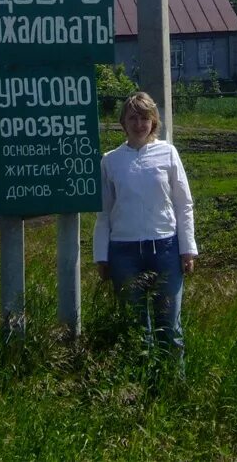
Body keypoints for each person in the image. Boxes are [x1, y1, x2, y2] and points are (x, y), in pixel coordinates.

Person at [93, 91, 197, 358]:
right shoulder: (110, 160)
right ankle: (138, 391)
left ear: (154, 121)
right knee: (136, 331)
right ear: (123, 123)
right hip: (124, 253)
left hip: (165, 249)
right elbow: (104, 213)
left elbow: (183, 204)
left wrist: (187, 249)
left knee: (169, 329)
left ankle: (174, 388)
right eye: (133, 118)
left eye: (145, 118)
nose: (139, 124)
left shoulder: (168, 154)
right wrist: (101, 257)